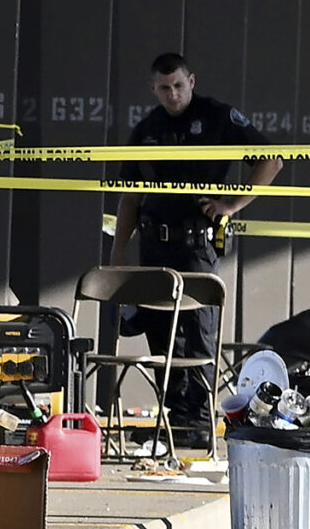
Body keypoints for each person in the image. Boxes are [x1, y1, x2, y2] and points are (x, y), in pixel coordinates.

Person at [109, 53, 284, 448]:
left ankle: (200, 425)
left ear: (192, 80)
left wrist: (232, 204)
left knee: (196, 336)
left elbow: (271, 160)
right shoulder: (147, 129)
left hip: (194, 246)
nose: (172, 94)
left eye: (178, 86)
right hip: (154, 246)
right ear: (153, 89)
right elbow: (130, 198)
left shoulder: (217, 117)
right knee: (160, 337)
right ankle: (176, 424)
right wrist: (119, 253)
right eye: (164, 88)